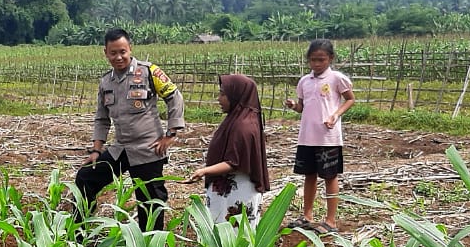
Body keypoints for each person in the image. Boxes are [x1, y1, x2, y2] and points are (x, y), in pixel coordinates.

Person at [75, 28, 186, 231]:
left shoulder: (148, 71)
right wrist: (96, 150)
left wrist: (171, 134)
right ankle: (80, 233)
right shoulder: (106, 82)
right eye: (113, 53)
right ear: (105, 53)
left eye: (123, 52)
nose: (119, 57)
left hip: (148, 150)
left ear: (130, 49)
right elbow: (101, 118)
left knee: (149, 202)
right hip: (121, 149)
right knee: (85, 177)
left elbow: (174, 96)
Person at [285, 38, 355, 233]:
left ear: (330, 58)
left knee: (330, 176)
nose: (317, 64)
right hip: (307, 136)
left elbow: (350, 99)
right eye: (313, 60)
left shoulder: (336, 79)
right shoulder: (304, 82)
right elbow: (302, 107)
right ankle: (307, 215)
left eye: (321, 60)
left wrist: (335, 115)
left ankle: (330, 220)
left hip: (328, 137)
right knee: (309, 175)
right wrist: (293, 106)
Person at [187, 74, 270, 224]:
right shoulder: (238, 119)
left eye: (223, 94)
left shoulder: (243, 127)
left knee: (233, 238)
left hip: (237, 194)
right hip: (229, 192)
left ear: (236, 95)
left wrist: (203, 171)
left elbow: (233, 163)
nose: (219, 98)